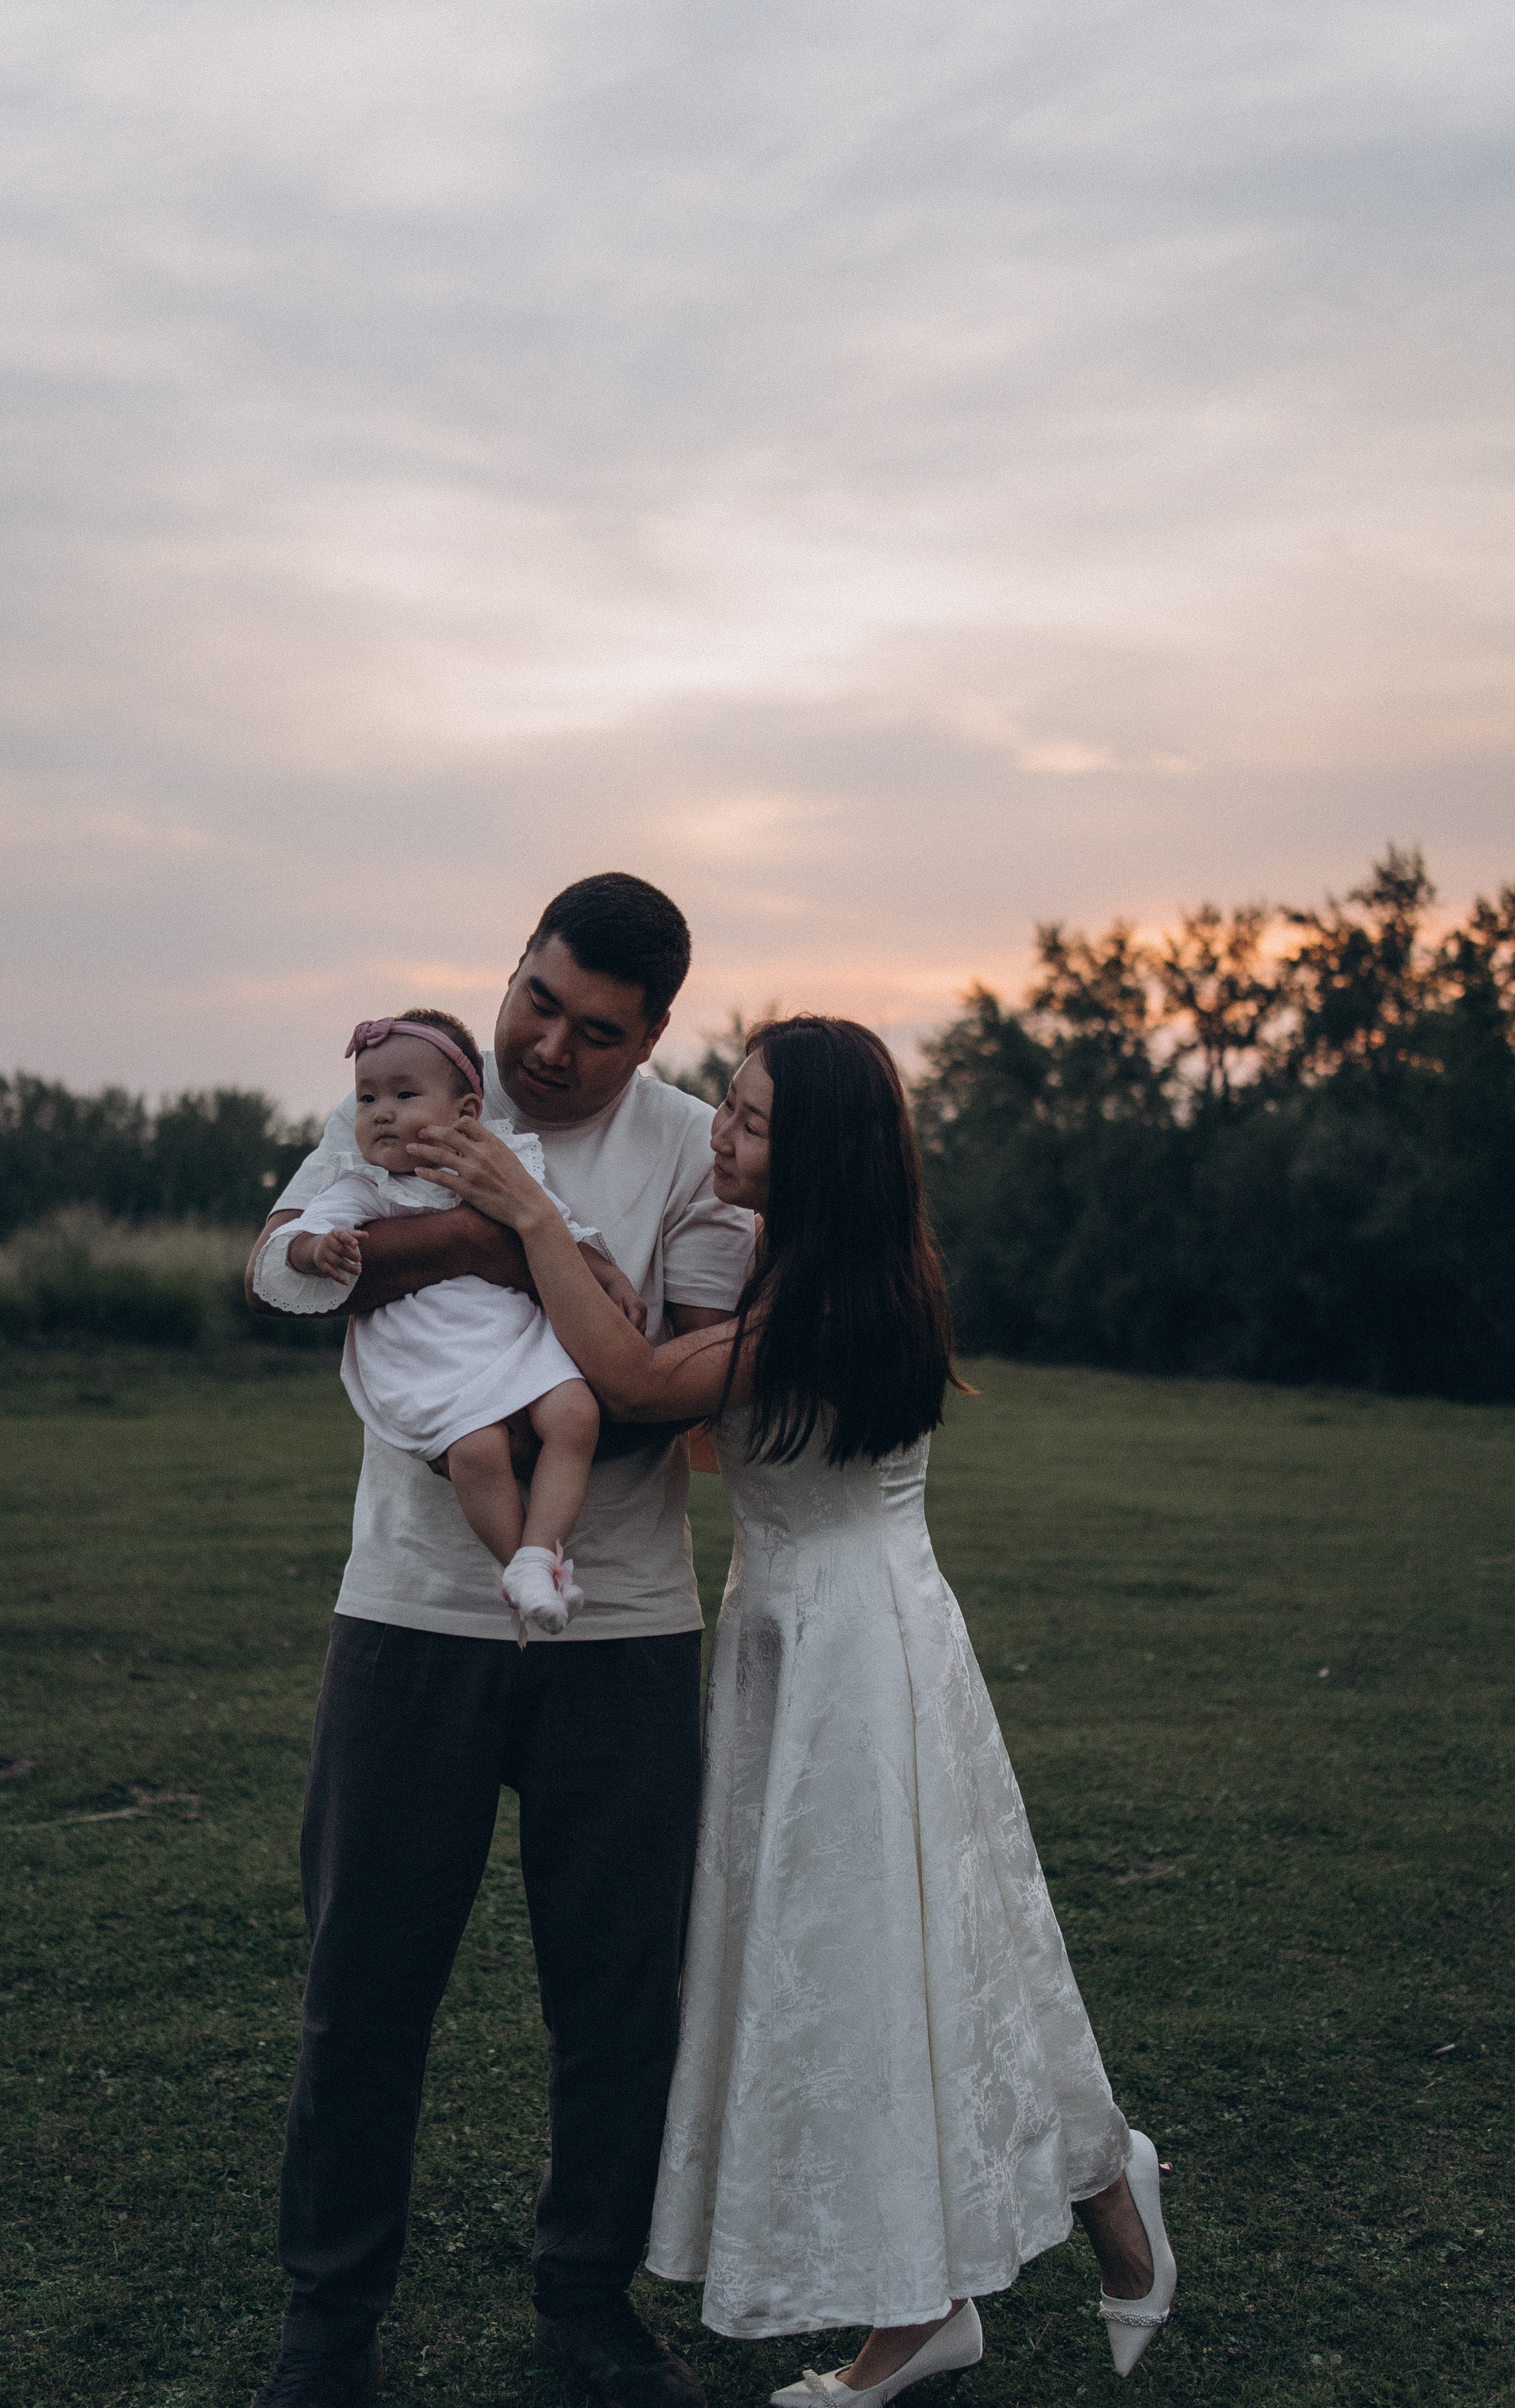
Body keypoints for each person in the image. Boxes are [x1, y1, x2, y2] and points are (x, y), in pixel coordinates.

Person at [432, 1015, 1178, 2405]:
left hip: (855, 1648)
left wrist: (531, 1213)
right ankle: (1083, 2189)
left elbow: (649, 1388)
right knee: (952, 1948)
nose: (720, 1134)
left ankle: (934, 2301)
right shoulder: (804, 1270)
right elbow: (724, 1436)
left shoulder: (829, 1289)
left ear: (821, 1149)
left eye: (753, 1121)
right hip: (801, 1627)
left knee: (870, 1964)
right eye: (725, 1106)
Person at [243, 876, 753, 2408]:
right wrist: (473, 1242)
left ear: (652, 1035)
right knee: (365, 1981)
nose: (550, 1045)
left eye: (597, 1032)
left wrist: (478, 1234)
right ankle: (329, 2327)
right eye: (537, 997)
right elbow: (279, 1270)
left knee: (614, 1991)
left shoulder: (682, 1152)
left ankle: (586, 2311)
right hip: (407, 1607)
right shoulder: (407, 1087)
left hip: (625, 1625)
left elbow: (673, 1382)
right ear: (514, 969)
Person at [253, 1005, 645, 1638]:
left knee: (576, 1414)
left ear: (465, 1112)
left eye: (405, 1095)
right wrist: (314, 1249)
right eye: (367, 1097)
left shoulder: (497, 1168)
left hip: (512, 1333)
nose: (382, 1111)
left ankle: (537, 1555)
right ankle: (516, 1564)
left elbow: (563, 1229)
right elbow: (298, 1234)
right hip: (428, 1349)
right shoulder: (368, 1184)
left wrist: (610, 1279)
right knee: (477, 1449)